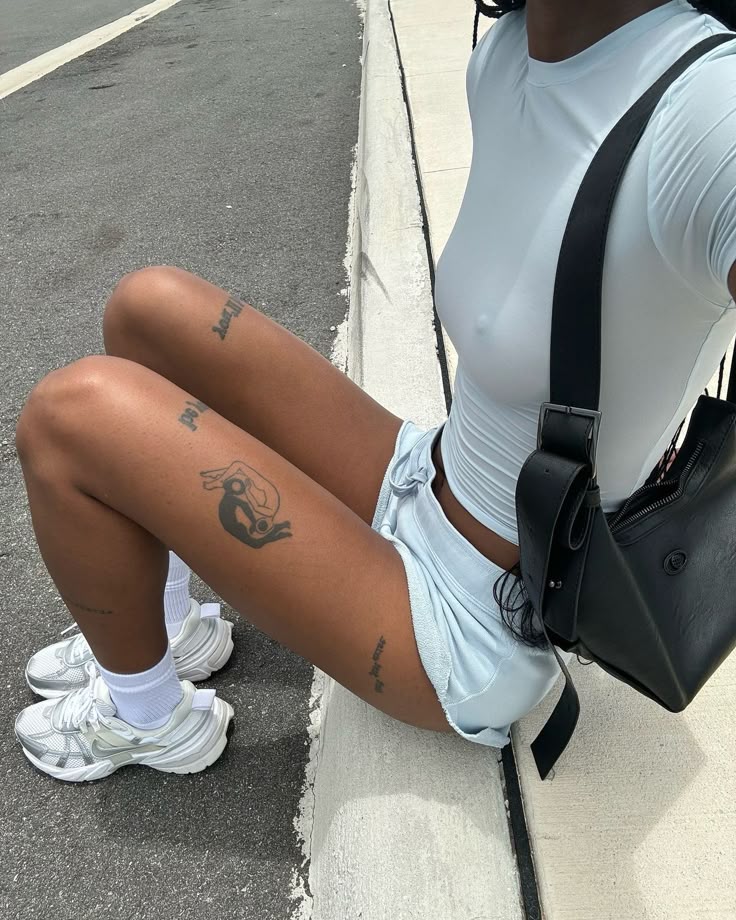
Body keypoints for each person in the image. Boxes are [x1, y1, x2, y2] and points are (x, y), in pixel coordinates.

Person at [13, 0, 736, 782]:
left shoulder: (709, 119)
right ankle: (172, 626)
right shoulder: (511, 56)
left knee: (69, 417)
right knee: (149, 309)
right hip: (423, 476)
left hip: (470, 623)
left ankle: (147, 718)